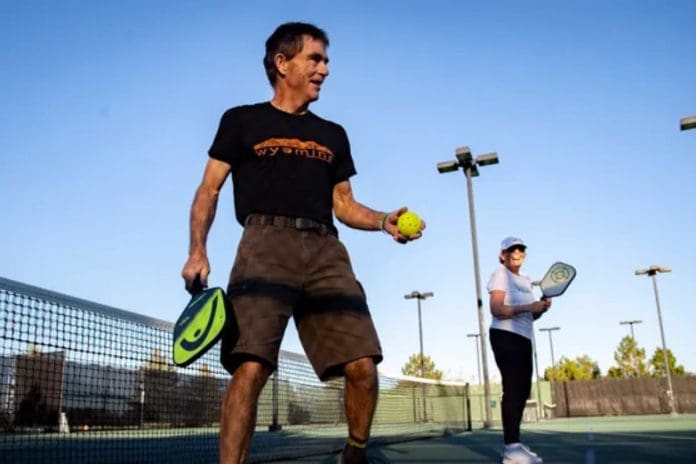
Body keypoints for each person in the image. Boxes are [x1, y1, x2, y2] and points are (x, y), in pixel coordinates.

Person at [180, 22, 424, 464]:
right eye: (315, 58)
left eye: (326, 60)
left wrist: (384, 220)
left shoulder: (333, 135)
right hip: (263, 247)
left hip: (325, 250)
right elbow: (208, 189)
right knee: (249, 367)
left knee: (363, 367)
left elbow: (345, 205)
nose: (325, 69)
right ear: (282, 63)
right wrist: (198, 249)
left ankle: (355, 451)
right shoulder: (240, 121)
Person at [487, 237, 551, 464]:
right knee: (513, 388)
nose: (516, 253)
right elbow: (496, 309)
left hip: (524, 337)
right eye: (511, 250)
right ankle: (511, 449)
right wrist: (528, 306)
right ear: (502, 255)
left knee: (523, 390)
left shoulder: (526, 280)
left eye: (520, 249)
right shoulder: (499, 275)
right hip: (505, 335)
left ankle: (516, 444)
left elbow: (531, 314)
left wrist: (541, 308)